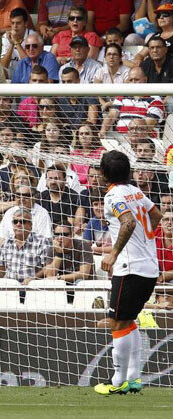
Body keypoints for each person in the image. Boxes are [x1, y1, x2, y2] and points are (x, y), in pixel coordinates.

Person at [94, 150, 162, 395]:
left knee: (117, 322)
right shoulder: (136, 191)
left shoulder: (113, 196)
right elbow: (156, 214)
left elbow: (128, 222)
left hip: (130, 269)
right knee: (128, 321)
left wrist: (113, 254)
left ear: (103, 173)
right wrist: (146, 239)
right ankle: (133, 379)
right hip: (149, 268)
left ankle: (117, 381)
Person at [0, 207, 53, 283]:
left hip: (34, 287)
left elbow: (47, 268)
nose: (18, 224)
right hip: (10, 288)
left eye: (22, 221)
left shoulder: (42, 242)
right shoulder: (6, 243)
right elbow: (0, 271)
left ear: (30, 225)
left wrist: (33, 279)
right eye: (15, 222)